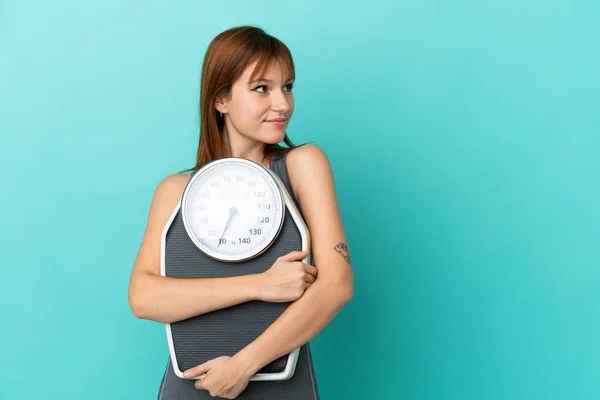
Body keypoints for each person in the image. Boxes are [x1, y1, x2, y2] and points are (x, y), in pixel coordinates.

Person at [128, 25, 354, 399]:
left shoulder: (302, 165)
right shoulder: (175, 190)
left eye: (288, 87)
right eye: (262, 88)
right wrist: (260, 285)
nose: (282, 104)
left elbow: (337, 285)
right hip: (192, 384)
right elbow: (144, 297)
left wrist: (243, 365)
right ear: (221, 99)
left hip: (279, 382)